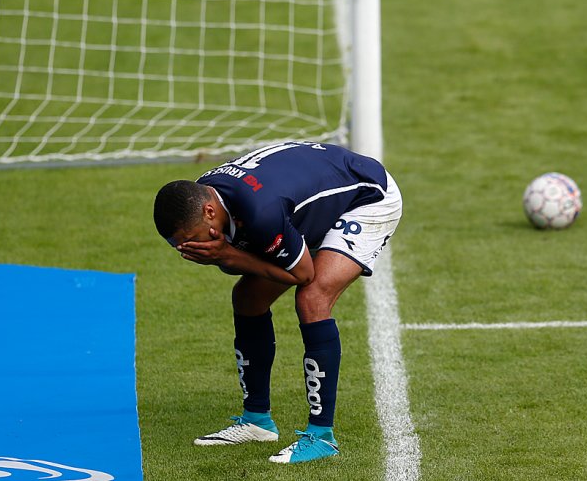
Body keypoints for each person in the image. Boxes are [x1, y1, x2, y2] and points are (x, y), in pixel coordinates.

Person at [153, 141, 402, 464]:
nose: (191, 249)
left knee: (312, 298)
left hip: (367, 198)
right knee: (247, 296)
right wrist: (224, 256)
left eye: (194, 240)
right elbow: (239, 262)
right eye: (181, 247)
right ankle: (257, 421)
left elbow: (301, 273)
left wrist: (226, 254)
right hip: (304, 199)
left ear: (209, 211)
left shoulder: (258, 211)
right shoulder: (206, 198)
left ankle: (322, 436)